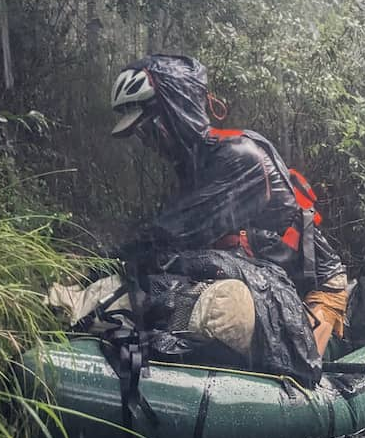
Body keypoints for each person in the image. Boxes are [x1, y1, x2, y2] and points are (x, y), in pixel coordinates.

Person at [109, 54, 348, 356]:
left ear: (174, 113)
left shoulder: (239, 158)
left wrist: (104, 262)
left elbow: (169, 234)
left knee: (299, 365)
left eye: (147, 128)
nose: (146, 141)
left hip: (313, 289)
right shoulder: (196, 168)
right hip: (261, 279)